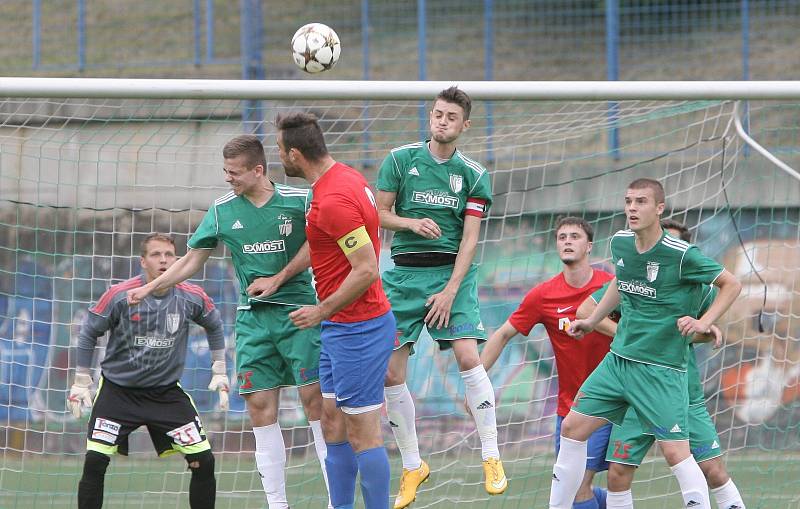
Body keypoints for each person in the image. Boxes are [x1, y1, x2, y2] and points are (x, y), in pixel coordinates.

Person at [127, 135, 331, 509]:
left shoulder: (300, 201)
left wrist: (279, 278)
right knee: (259, 407)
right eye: (225, 171)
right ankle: (277, 505)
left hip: (301, 313)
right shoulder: (222, 210)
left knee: (314, 403)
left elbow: (320, 245)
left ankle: (336, 501)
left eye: (234, 172)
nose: (228, 178)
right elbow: (192, 259)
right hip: (253, 320)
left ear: (258, 169)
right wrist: (151, 287)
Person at [550, 178, 742, 509]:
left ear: (659, 208)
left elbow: (731, 284)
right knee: (572, 427)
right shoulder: (622, 243)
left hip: (659, 371)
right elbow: (621, 283)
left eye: (641, 202)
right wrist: (593, 321)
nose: (632, 208)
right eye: (628, 201)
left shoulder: (682, 256)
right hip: (619, 362)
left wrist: (704, 323)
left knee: (678, 454)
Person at [375, 86, 504, 508]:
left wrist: (450, 290)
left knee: (468, 356)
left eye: (450, 116)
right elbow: (377, 213)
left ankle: (491, 454)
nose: (441, 121)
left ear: (465, 125)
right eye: (437, 114)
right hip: (404, 277)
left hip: (452, 274)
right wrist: (411, 224)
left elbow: (470, 240)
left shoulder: (473, 174)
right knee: (391, 374)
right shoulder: (400, 159)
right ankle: (413, 465)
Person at [275, 112, 395, 509]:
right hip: (340, 328)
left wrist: (320, 311)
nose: (280, 158)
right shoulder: (339, 179)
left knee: (363, 431)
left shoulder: (333, 199)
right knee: (333, 422)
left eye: (280, 151)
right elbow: (325, 242)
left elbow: (366, 269)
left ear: (295, 153)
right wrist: (281, 277)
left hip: (358, 328)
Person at [69, 233, 227, 509]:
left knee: (203, 460)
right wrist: (82, 380)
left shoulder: (191, 296)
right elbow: (88, 333)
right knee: (94, 462)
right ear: (143, 262)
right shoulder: (120, 294)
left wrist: (220, 368)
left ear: (178, 261)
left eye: (169, 254)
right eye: (156, 254)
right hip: (118, 394)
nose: (164, 260)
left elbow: (214, 324)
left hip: (165, 394)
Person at [480, 217, 613, 509]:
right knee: (575, 487)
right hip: (569, 408)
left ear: (589, 246)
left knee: (580, 484)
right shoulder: (544, 295)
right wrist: (475, 383)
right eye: (561, 236)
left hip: (611, 403)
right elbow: (503, 334)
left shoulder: (610, 288)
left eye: (575, 236)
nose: (567, 240)